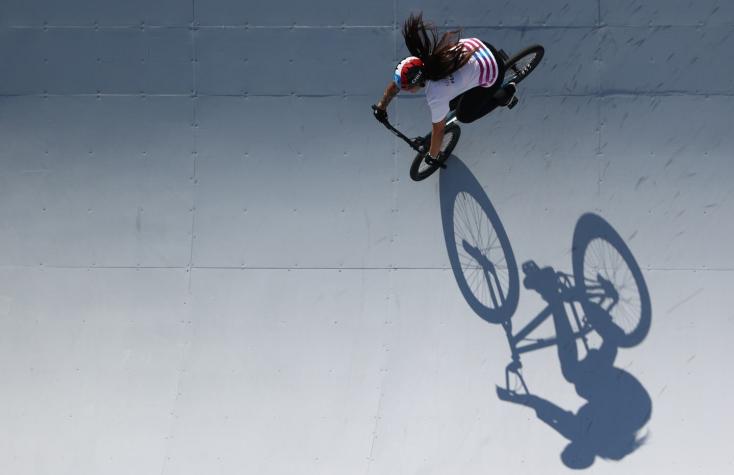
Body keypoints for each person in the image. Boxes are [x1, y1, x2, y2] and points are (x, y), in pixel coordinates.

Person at [372, 12, 518, 163]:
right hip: (481, 46)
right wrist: (381, 106)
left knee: (464, 116)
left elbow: (439, 129)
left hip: (494, 70)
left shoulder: (436, 94)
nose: (405, 90)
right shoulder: (425, 60)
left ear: (418, 82)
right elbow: (396, 85)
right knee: (454, 100)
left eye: (407, 88)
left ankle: (506, 93)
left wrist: (433, 155)